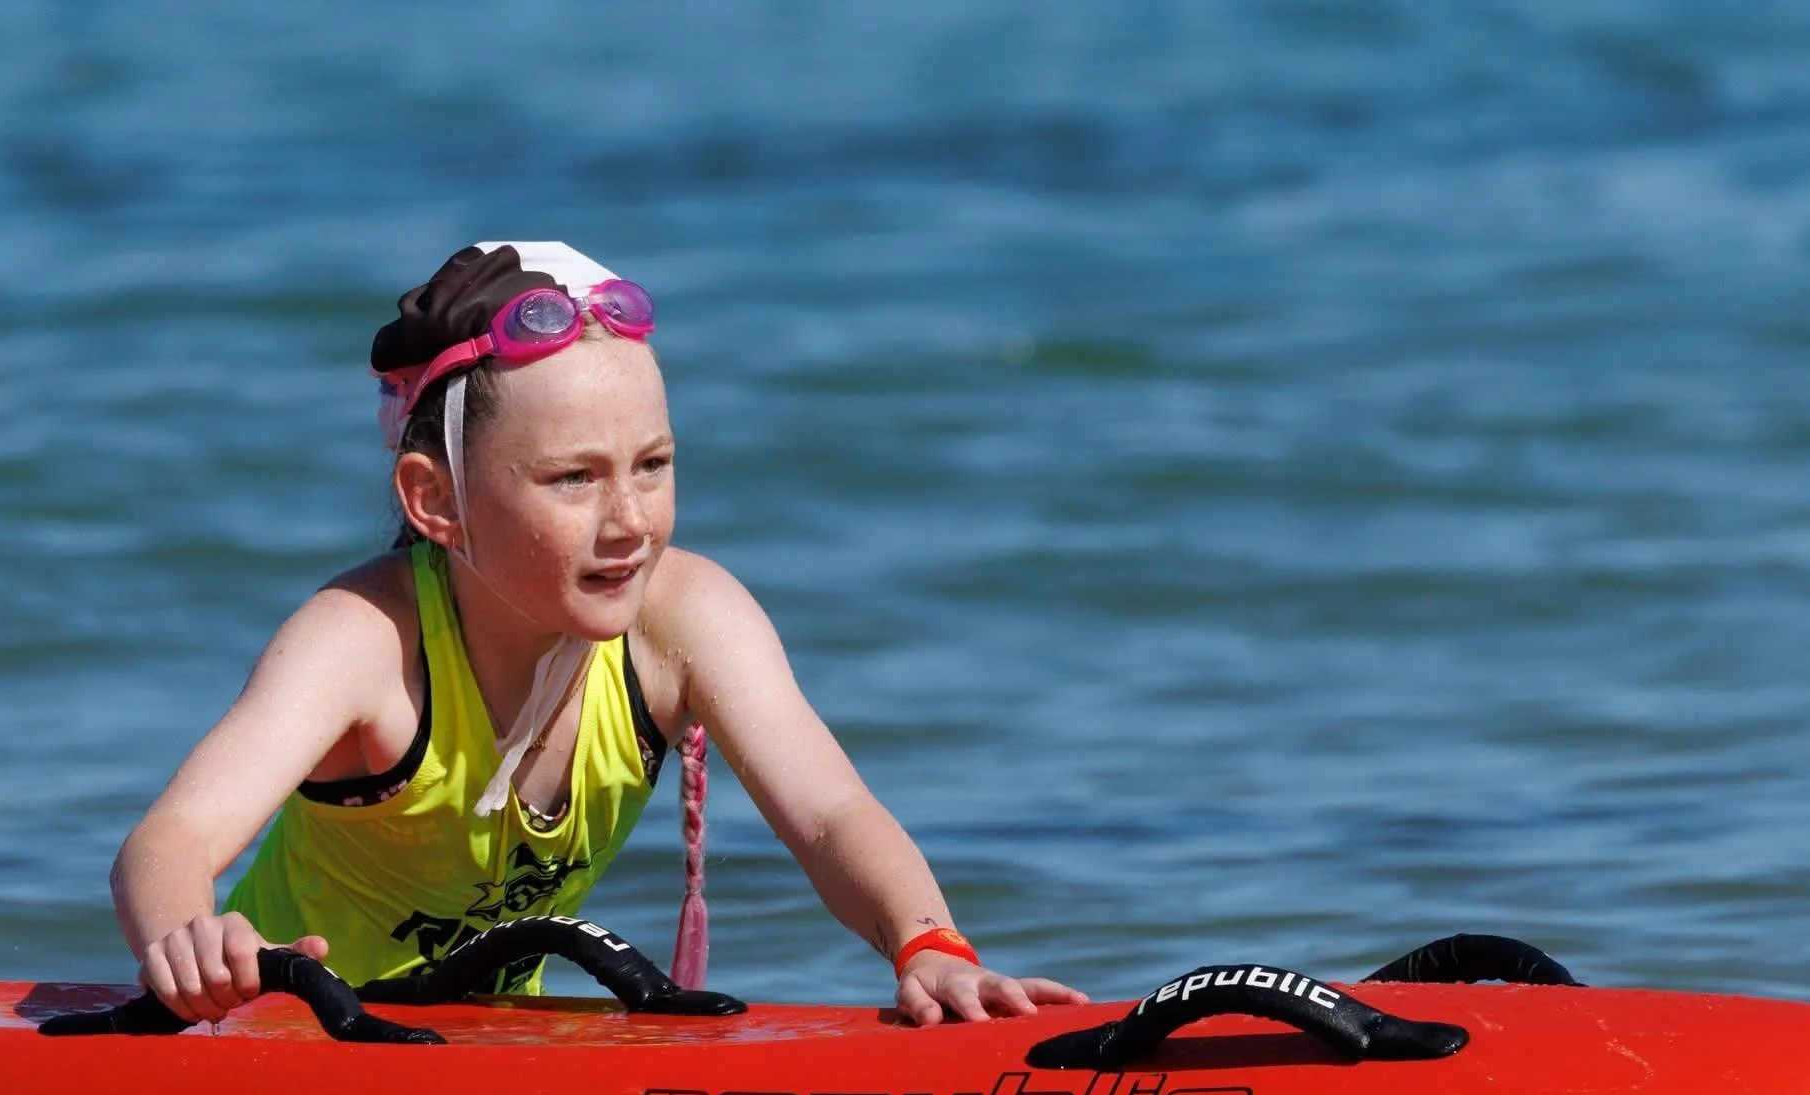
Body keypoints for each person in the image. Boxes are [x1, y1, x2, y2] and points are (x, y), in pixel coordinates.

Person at [110, 241, 1086, 1029]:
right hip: (288, 1041)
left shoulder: (684, 619)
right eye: (573, 479)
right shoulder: (365, 642)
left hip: (494, 1045)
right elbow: (172, 835)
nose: (628, 520)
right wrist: (189, 941)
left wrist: (929, 946)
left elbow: (831, 814)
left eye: (652, 464)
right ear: (435, 499)